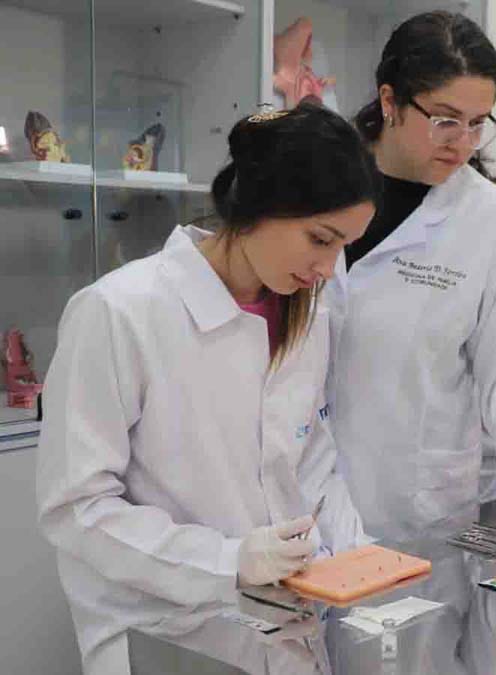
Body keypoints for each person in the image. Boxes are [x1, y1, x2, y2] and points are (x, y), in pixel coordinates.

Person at [36, 102, 377, 674]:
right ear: (260, 203)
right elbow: (78, 508)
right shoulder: (120, 312)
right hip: (166, 635)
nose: (328, 268)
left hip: (283, 623)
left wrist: (357, 557)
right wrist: (227, 561)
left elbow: (309, 455)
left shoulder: (304, 313)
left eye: (343, 247)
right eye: (321, 239)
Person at [329, 11, 496, 538]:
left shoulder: (489, 219)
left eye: (478, 124)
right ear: (390, 101)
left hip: (412, 509)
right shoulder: (319, 184)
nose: (463, 142)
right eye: (445, 119)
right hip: (301, 500)